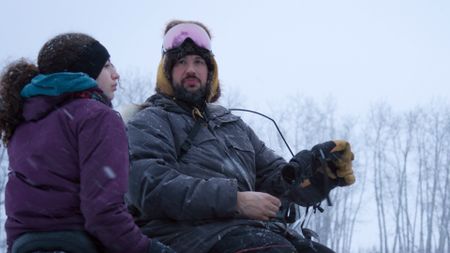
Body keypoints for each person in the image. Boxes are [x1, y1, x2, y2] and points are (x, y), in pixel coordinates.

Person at [125, 20, 355, 253]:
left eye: (198, 62)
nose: (191, 69)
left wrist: (312, 173)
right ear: (167, 72)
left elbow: (273, 182)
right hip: (186, 237)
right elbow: (149, 187)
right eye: (181, 62)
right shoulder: (149, 120)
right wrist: (234, 201)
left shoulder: (232, 125)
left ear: (210, 71)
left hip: (251, 232)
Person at [0, 33, 175, 253]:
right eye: (106, 66)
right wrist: (149, 249)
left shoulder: (25, 121)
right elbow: (103, 213)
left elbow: (19, 208)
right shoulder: (97, 117)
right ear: (84, 73)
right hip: (77, 243)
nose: (116, 74)